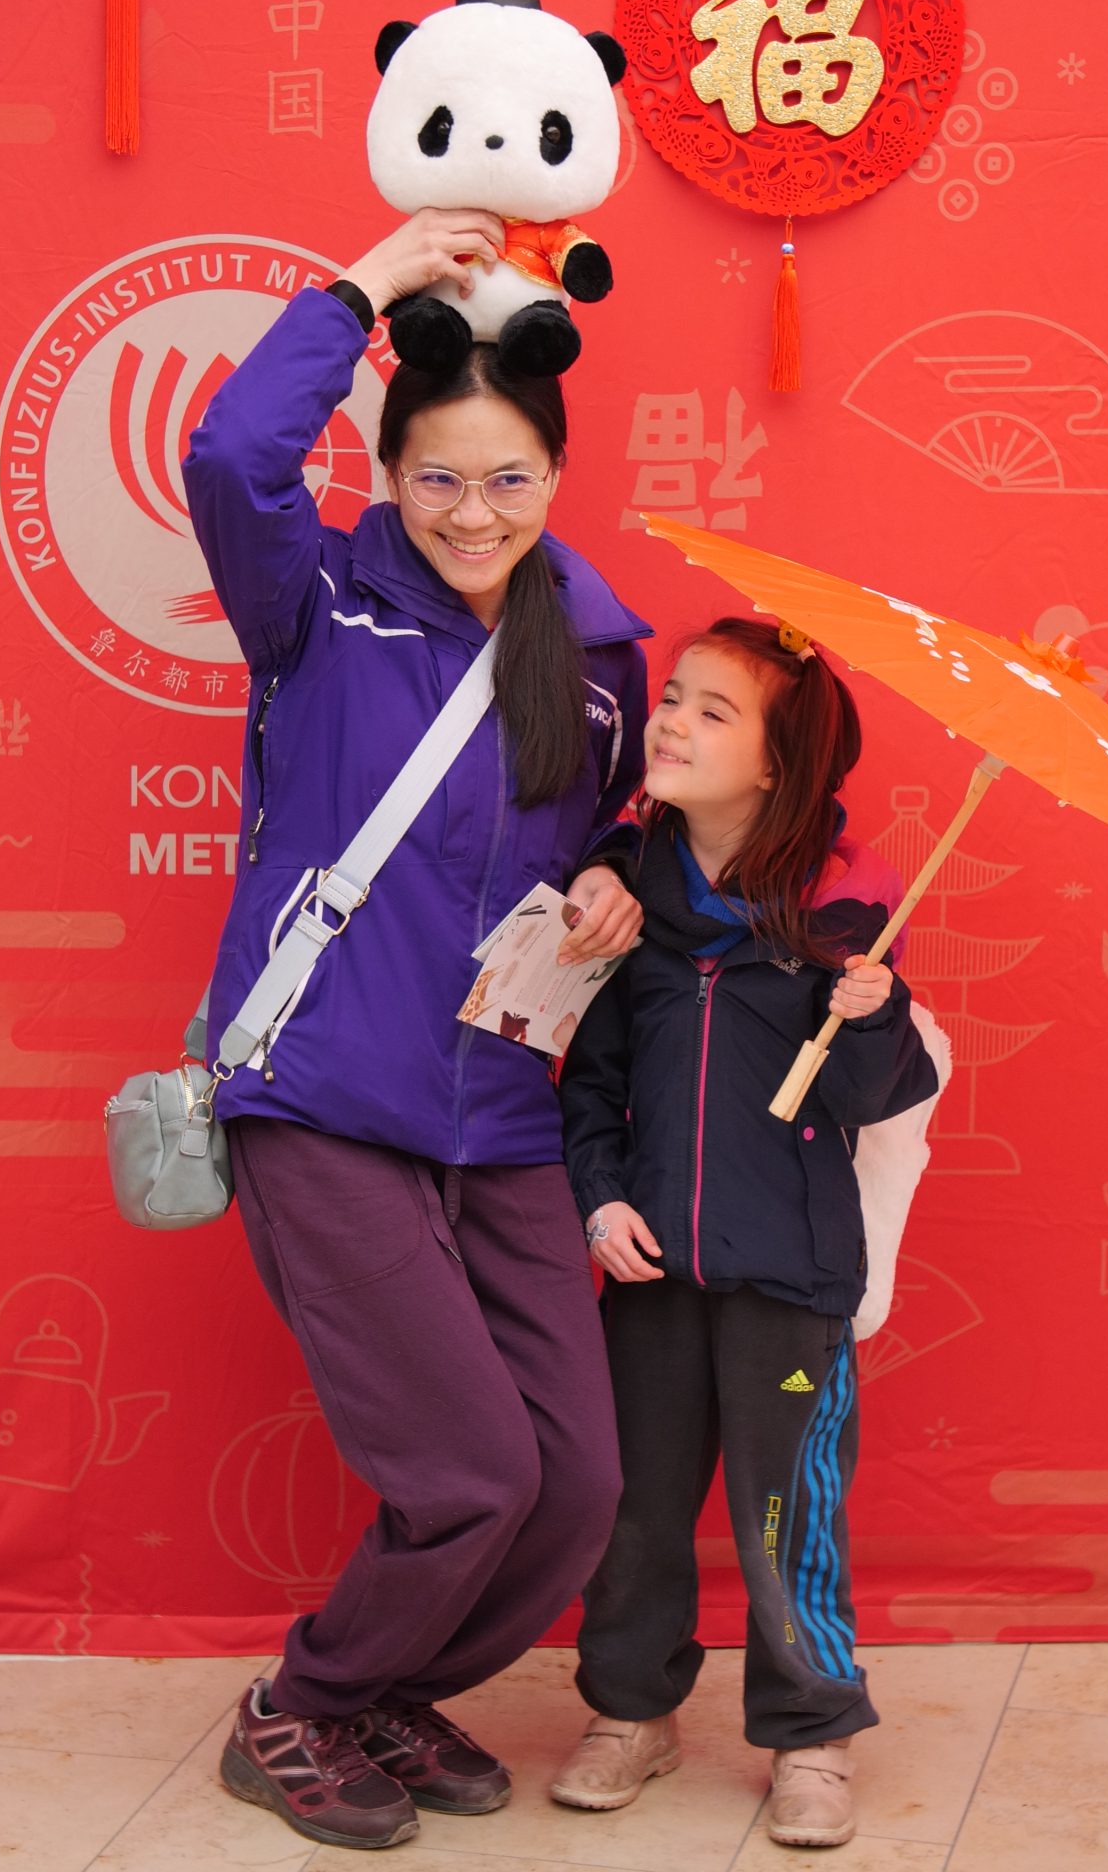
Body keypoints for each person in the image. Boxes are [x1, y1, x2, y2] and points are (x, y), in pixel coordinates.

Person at [182, 209, 650, 1853]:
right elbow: (232, 450)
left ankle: (387, 1686)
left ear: (556, 477)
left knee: (572, 1482)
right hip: (326, 1096)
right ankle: (299, 1703)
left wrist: (615, 873)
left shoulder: (600, 654)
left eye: (509, 478)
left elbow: (607, 824)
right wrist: (368, 287)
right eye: (437, 477)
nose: (473, 511)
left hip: (504, 1111)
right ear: (387, 476)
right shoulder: (315, 599)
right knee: (467, 1471)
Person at [551, 616, 940, 1850]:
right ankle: (630, 1711)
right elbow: (589, 1087)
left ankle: (811, 1731)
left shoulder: (843, 915)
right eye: (672, 696)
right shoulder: (630, 905)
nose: (669, 721)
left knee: (786, 1515)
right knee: (636, 1507)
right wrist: (600, 1198)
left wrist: (873, 1013)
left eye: (712, 711)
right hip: (651, 1271)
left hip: (791, 1280)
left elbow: (868, 1099)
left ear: (776, 764)